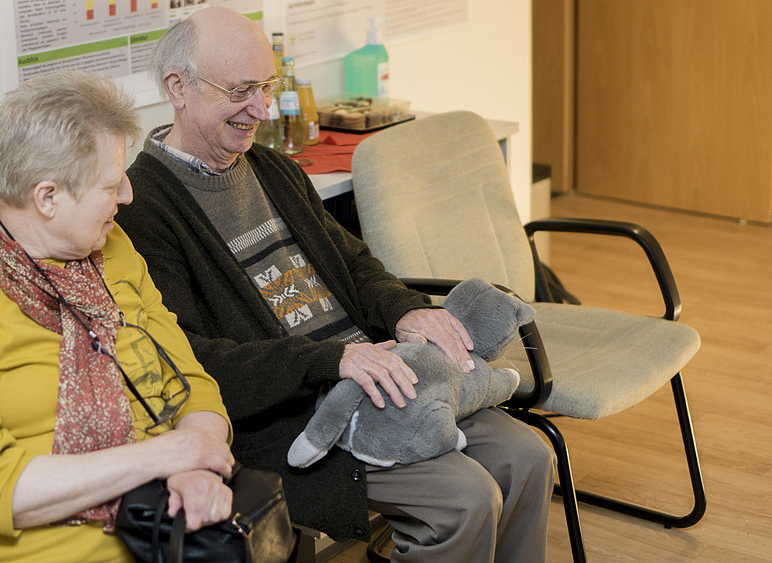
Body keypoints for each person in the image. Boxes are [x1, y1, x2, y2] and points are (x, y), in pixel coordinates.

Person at [116, 7, 555, 562]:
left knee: (528, 456)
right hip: (300, 415)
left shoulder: (274, 169)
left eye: (267, 85)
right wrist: (330, 363)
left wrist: (403, 310)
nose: (261, 108)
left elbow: (356, 264)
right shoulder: (143, 208)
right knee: (465, 500)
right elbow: (190, 356)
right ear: (177, 88)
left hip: (386, 375)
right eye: (241, 90)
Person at [0, 70, 235, 562]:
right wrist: (168, 455)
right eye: (111, 184)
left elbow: (194, 385)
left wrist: (198, 463)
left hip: (156, 531)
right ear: (47, 197)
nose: (128, 195)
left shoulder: (111, 248)